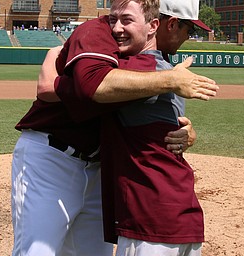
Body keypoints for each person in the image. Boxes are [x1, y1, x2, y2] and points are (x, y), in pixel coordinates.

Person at [11, 2, 217, 256]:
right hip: (53, 158)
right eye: (187, 29)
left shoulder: (153, 62)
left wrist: (184, 129)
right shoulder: (98, 33)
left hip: (100, 168)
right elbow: (77, 87)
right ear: (169, 24)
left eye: (126, 20)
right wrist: (170, 80)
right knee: (37, 251)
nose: (187, 37)